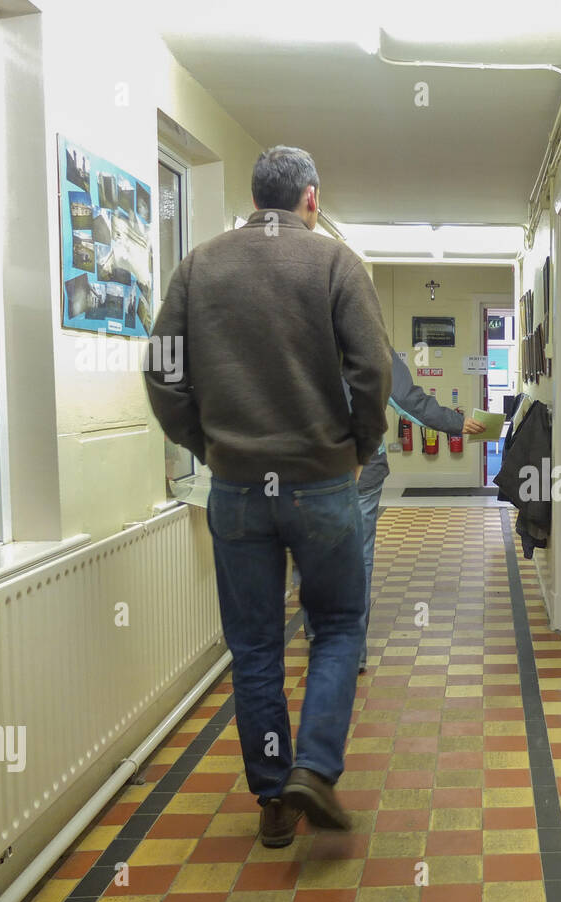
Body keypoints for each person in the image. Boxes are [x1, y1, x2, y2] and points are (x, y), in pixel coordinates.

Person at [144, 146, 392, 847]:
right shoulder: (336, 263)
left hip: (237, 488)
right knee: (339, 625)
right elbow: (372, 369)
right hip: (321, 480)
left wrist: (207, 442)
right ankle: (314, 763)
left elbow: (162, 372)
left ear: (257, 200)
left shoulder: (200, 266)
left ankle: (273, 798)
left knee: (253, 645)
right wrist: (359, 444)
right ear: (311, 200)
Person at [297, 362, 486, 661]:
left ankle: (317, 631)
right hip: (359, 470)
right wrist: (455, 422)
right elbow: (408, 402)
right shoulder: (369, 343)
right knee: (356, 558)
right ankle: (349, 651)